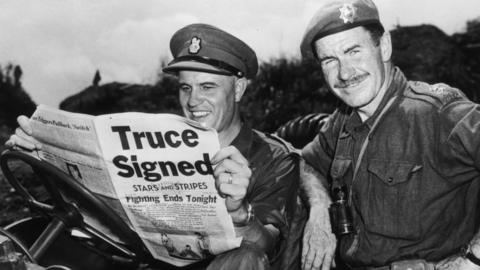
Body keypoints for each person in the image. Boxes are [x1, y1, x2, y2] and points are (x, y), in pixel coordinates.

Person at [6, 23, 300, 270]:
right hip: (136, 259)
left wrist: (238, 214)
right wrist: (46, 155)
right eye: (186, 88)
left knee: (246, 256)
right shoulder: (153, 143)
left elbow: (266, 245)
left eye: (207, 87)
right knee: (17, 243)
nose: (193, 101)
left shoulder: (274, 158)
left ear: (237, 88)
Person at [299, 0, 480, 269]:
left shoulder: (437, 113)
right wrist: (319, 209)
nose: (345, 72)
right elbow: (308, 163)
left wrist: (470, 260)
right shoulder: (343, 119)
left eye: (353, 51)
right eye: (329, 60)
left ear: (384, 46)